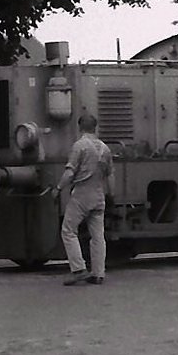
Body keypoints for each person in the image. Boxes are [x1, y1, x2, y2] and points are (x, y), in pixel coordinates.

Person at [59, 111, 113, 285]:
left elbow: (69, 173)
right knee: (98, 236)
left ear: (80, 127)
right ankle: (98, 273)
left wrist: (58, 188)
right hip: (99, 195)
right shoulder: (105, 148)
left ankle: (79, 269)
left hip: (82, 195)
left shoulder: (80, 146)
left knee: (68, 230)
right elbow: (110, 175)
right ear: (95, 128)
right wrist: (111, 194)